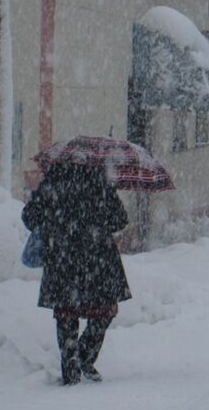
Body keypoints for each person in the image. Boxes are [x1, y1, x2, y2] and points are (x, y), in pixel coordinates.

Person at [22, 162, 131, 385]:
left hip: (62, 258)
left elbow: (30, 218)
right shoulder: (100, 184)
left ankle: (70, 366)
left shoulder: (51, 184)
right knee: (103, 311)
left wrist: (53, 218)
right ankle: (85, 355)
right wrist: (97, 223)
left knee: (66, 313)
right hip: (98, 259)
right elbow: (120, 219)